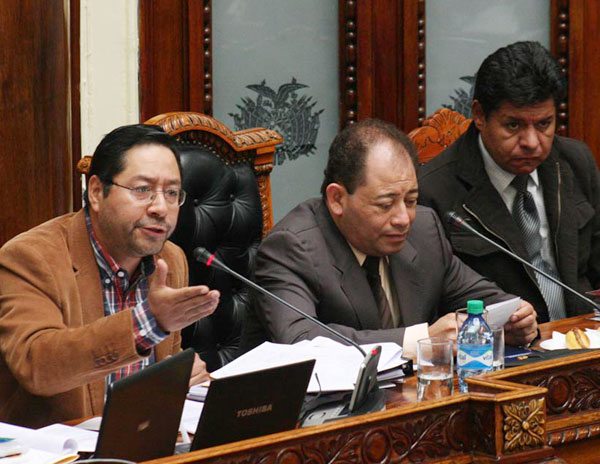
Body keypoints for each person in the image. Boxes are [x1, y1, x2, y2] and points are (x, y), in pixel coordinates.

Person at [246, 119, 537, 356]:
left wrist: (513, 319)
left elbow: (486, 300)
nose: (403, 218)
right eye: (385, 204)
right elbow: (301, 343)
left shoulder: (424, 229)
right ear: (337, 199)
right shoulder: (291, 248)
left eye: (410, 200)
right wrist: (420, 340)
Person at [0, 124, 220, 427]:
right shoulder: (31, 257)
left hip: (143, 438)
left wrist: (185, 376)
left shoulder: (170, 259)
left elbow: (164, 366)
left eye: (171, 193)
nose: (160, 208)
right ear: (96, 192)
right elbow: (37, 365)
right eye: (142, 190)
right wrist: (148, 323)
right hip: (62, 446)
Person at [418, 41, 600, 323]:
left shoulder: (576, 162)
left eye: (544, 124)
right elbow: (433, 308)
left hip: (580, 337)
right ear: (480, 115)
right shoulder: (434, 192)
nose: (531, 142)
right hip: (502, 344)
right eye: (513, 125)